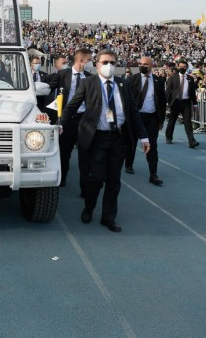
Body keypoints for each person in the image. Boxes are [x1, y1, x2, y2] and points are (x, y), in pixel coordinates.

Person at [61, 49, 149, 232]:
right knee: (96, 178)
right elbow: (72, 106)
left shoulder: (122, 84)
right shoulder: (88, 83)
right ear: (97, 64)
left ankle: (108, 217)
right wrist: (60, 123)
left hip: (117, 139)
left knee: (114, 181)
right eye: (105, 62)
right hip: (96, 138)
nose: (109, 66)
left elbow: (133, 112)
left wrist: (144, 136)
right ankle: (89, 207)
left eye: (113, 62)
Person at [49, 48, 93, 187]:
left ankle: (85, 185)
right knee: (64, 151)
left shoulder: (90, 77)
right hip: (66, 119)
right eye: (89, 60)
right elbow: (48, 89)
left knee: (85, 153)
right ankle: (62, 178)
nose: (91, 63)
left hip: (84, 118)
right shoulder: (63, 74)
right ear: (81, 60)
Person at [124, 56, 166, 185]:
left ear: (152, 66)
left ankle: (153, 174)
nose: (142, 66)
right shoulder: (132, 79)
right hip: (135, 118)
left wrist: (161, 121)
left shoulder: (159, 81)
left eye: (145, 64)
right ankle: (129, 163)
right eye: (141, 64)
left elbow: (162, 102)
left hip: (151, 118)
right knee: (131, 143)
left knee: (152, 146)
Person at [164, 59, 199, 148]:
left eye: (184, 67)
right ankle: (168, 137)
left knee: (188, 122)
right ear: (178, 67)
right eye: (180, 67)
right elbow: (168, 91)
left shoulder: (190, 78)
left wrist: (194, 103)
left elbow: (192, 92)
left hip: (186, 103)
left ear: (187, 68)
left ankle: (192, 141)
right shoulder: (173, 77)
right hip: (175, 103)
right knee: (172, 121)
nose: (182, 68)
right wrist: (168, 102)